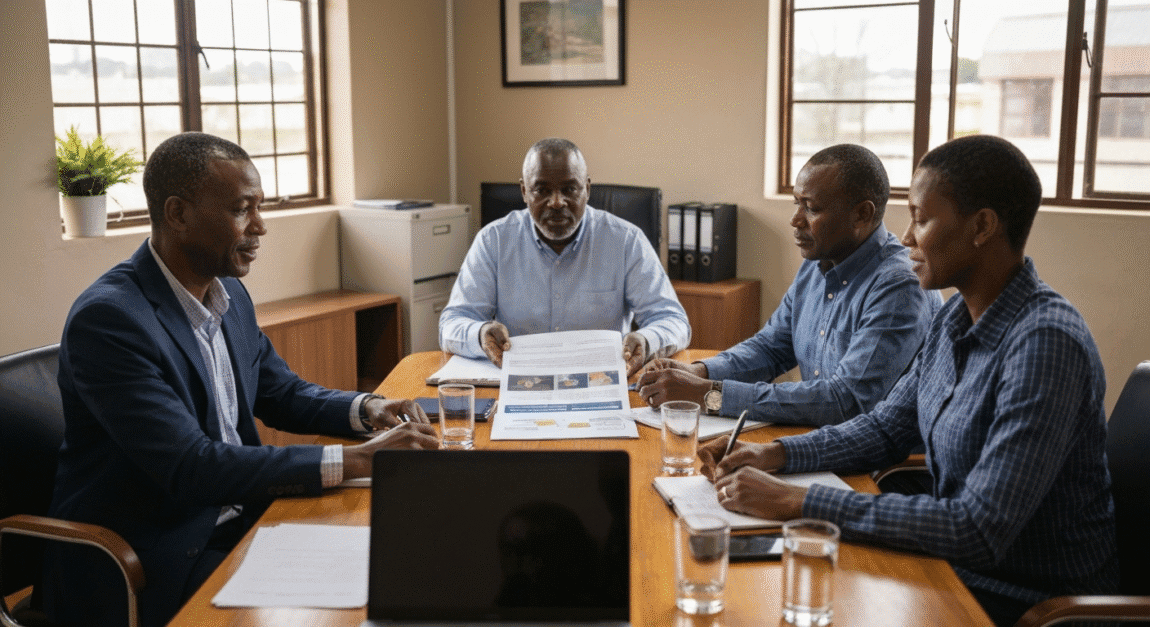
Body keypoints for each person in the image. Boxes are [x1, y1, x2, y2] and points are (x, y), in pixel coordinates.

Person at [698, 135, 1118, 626]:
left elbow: (977, 529)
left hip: (1024, 600)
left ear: (983, 226)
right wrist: (778, 455)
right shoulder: (957, 315)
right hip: (953, 569)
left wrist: (800, 500)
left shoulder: (1046, 344)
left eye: (921, 219)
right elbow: (884, 428)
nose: (905, 238)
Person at [43, 132, 440, 627]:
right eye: (241, 209)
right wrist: (355, 458)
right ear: (178, 214)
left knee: (400, 562)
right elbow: (192, 467)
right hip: (157, 556)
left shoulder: (227, 294)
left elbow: (281, 392)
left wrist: (367, 409)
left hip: (246, 520)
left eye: (260, 207)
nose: (260, 226)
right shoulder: (110, 321)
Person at [638, 144, 939, 425]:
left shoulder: (899, 286)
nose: (795, 219)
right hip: (816, 437)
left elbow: (846, 401)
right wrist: (699, 371)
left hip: (871, 463)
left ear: (862, 214)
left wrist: (707, 393)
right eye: (797, 203)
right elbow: (772, 347)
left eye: (811, 208)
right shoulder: (816, 262)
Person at [438, 138, 690, 377]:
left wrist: (646, 341)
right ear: (525, 192)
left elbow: (673, 321)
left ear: (587, 189)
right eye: (542, 190)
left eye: (569, 189)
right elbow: (452, 324)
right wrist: (480, 333)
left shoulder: (625, 241)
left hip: (601, 383)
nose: (557, 202)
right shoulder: (494, 241)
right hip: (520, 383)